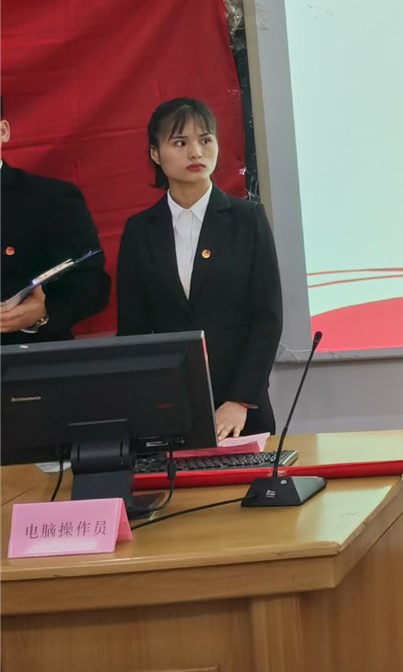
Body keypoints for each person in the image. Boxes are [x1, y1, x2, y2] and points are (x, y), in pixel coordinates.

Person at [115, 97, 282, 440]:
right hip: (166, 408)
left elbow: (268, 318)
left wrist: (240, 399)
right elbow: (133, 331)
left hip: (241, 410)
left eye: (205, 140)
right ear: (155, 153)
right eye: (180, 143)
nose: (196, 152)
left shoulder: (248, 220)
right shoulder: (139, 230)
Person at [0, 99, 111, 344]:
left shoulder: (51, 200)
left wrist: (42, 313)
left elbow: (92, 284)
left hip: (29, 358)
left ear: (3, 131)